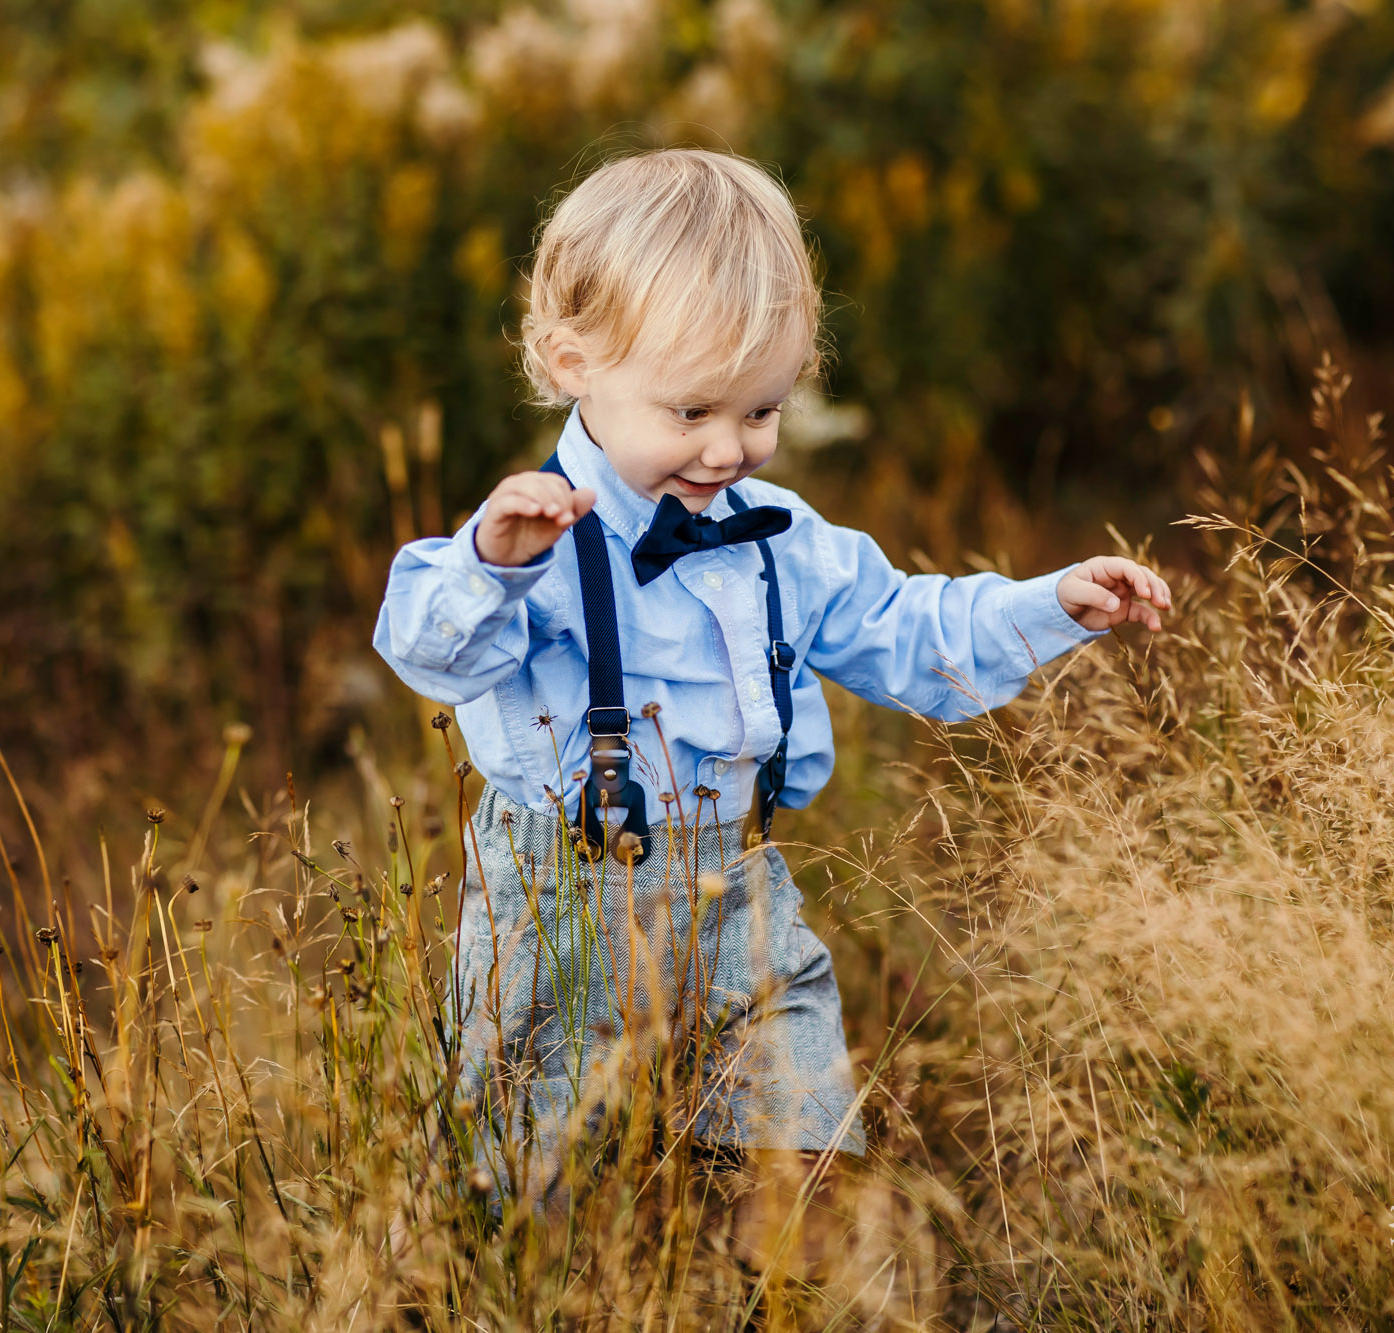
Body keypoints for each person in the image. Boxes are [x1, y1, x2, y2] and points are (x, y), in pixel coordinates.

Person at [372, 148, 1170, 1261]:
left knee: (799, 1155)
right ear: (568, 362)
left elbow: (907, 632)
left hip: (738, 891)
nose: (724, 447)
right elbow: (426, 648)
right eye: (690, 407)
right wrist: (490, 563)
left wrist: (1051, 604)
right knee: (519, 1189)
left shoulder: (781, 535)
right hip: (560, 900)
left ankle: (773, 1298)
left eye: (760, 409)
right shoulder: (534, 535)